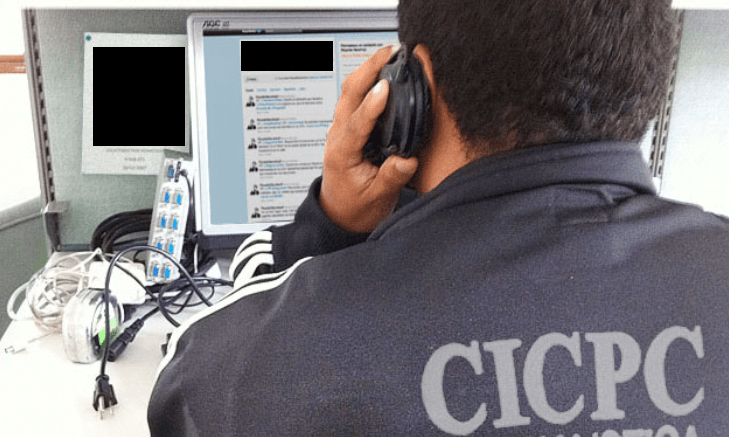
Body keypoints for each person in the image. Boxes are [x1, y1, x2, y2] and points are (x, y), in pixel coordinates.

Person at [148, 1, 729, 435]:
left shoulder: (261, 366)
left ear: (412, 90)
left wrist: (330, 226)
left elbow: (184, 386)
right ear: (649, 75)